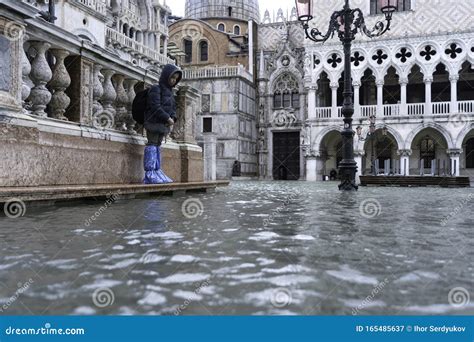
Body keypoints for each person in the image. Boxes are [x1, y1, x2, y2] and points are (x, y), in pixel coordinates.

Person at [143, 64, 182, 184]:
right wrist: (167, 118)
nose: (173, 80)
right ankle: (149, 173)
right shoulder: (156, 88)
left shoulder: (170, 92)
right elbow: (155, 107)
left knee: (158, 146)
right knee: (152, 145)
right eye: (172, 78)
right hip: (153, 123)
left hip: (163, 125)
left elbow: (174, 107)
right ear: (166, 76)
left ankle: (157, 170)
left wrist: (173, 117)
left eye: (175, 79)